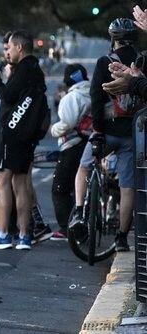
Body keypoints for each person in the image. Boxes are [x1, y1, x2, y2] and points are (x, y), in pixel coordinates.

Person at [70, 18, 145, 252]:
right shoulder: (142, 61)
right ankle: (122, 237)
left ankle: (81, 211)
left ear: (113, 39)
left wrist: (98, 131)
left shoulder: (105, 62)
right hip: (134, 134)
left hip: (107, 130)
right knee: (128, 187)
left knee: (83, 167)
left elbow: (96, 98)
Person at [0, 30, 46, 250]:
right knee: (22, 184)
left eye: (9, 47)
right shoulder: (36, 70)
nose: (7, 51)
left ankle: (3, 233)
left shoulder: (24, 69)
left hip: (11, 133)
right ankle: (25, 236)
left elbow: (7, 96)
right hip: (28, 134)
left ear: (19, 47)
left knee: (2, 182)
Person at [49, 64, 92, 240]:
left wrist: (53, 129)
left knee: (60, 188)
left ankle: (68, 228)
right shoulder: (95, 92)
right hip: (92, 143)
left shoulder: (71, 98)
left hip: (72, 145)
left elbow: (67, 123)